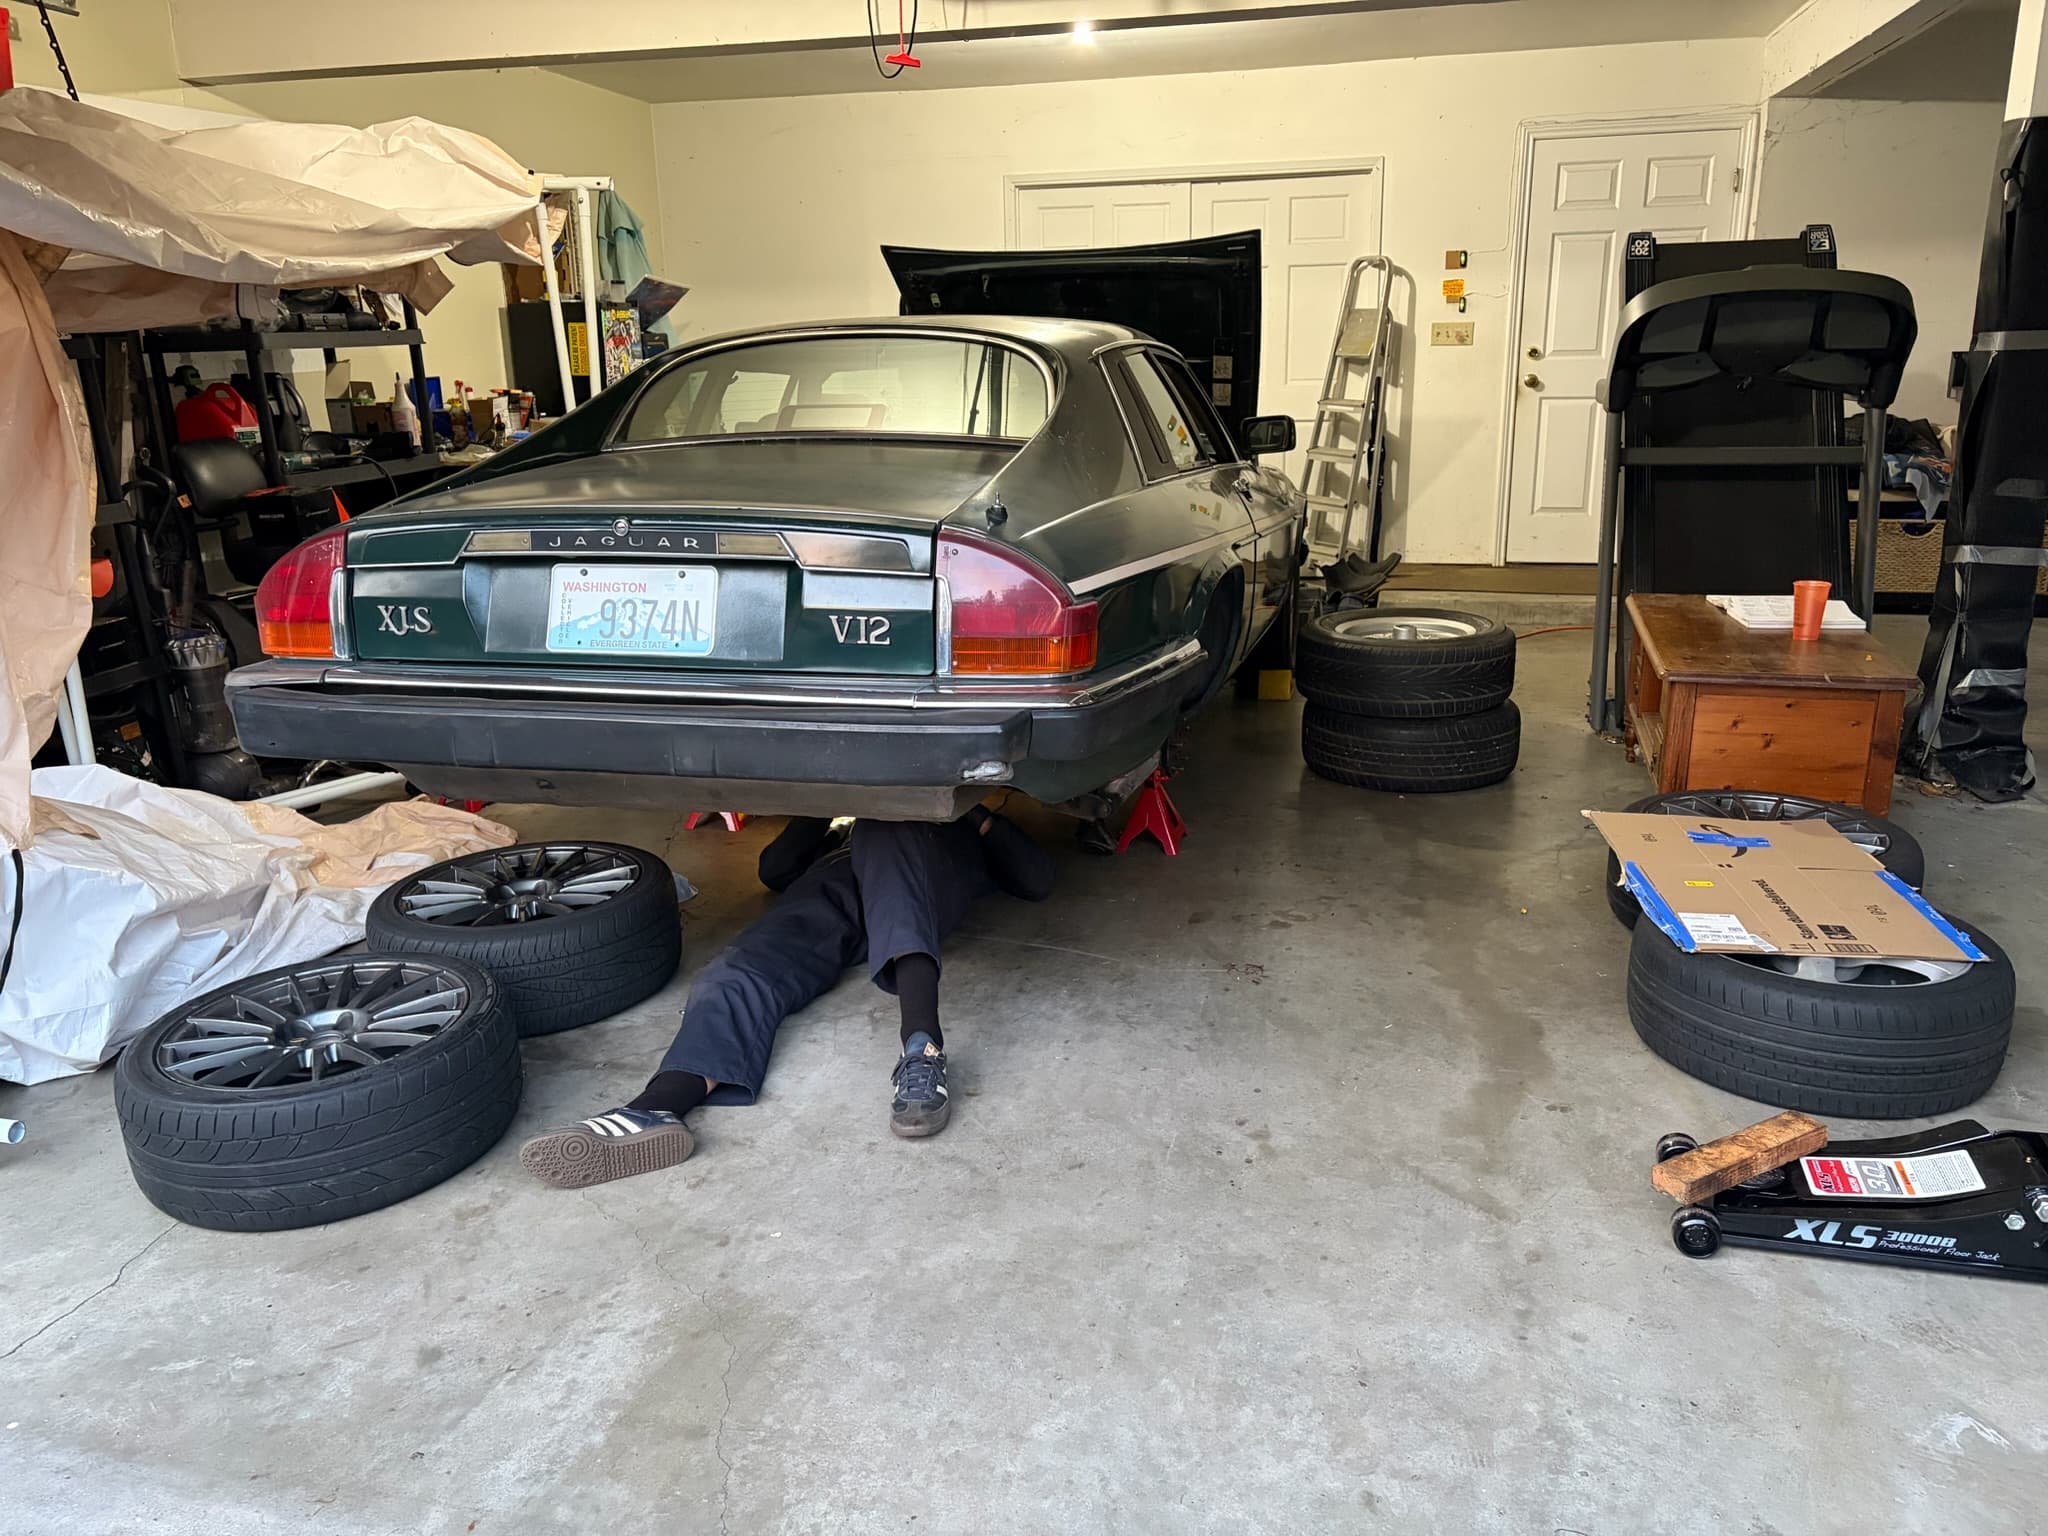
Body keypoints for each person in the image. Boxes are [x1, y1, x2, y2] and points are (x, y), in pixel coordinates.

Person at [519, 805, 1054, 1189]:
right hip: (837, 892)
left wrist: (956, 807)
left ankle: (923, 1048)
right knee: (743, 966)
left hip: (923, 883)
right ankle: (657, 1107)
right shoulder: (841, 828)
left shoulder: (957, 822)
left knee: (885, 825)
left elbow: (1037, 878)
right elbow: (774, 870)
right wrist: (828, 799)